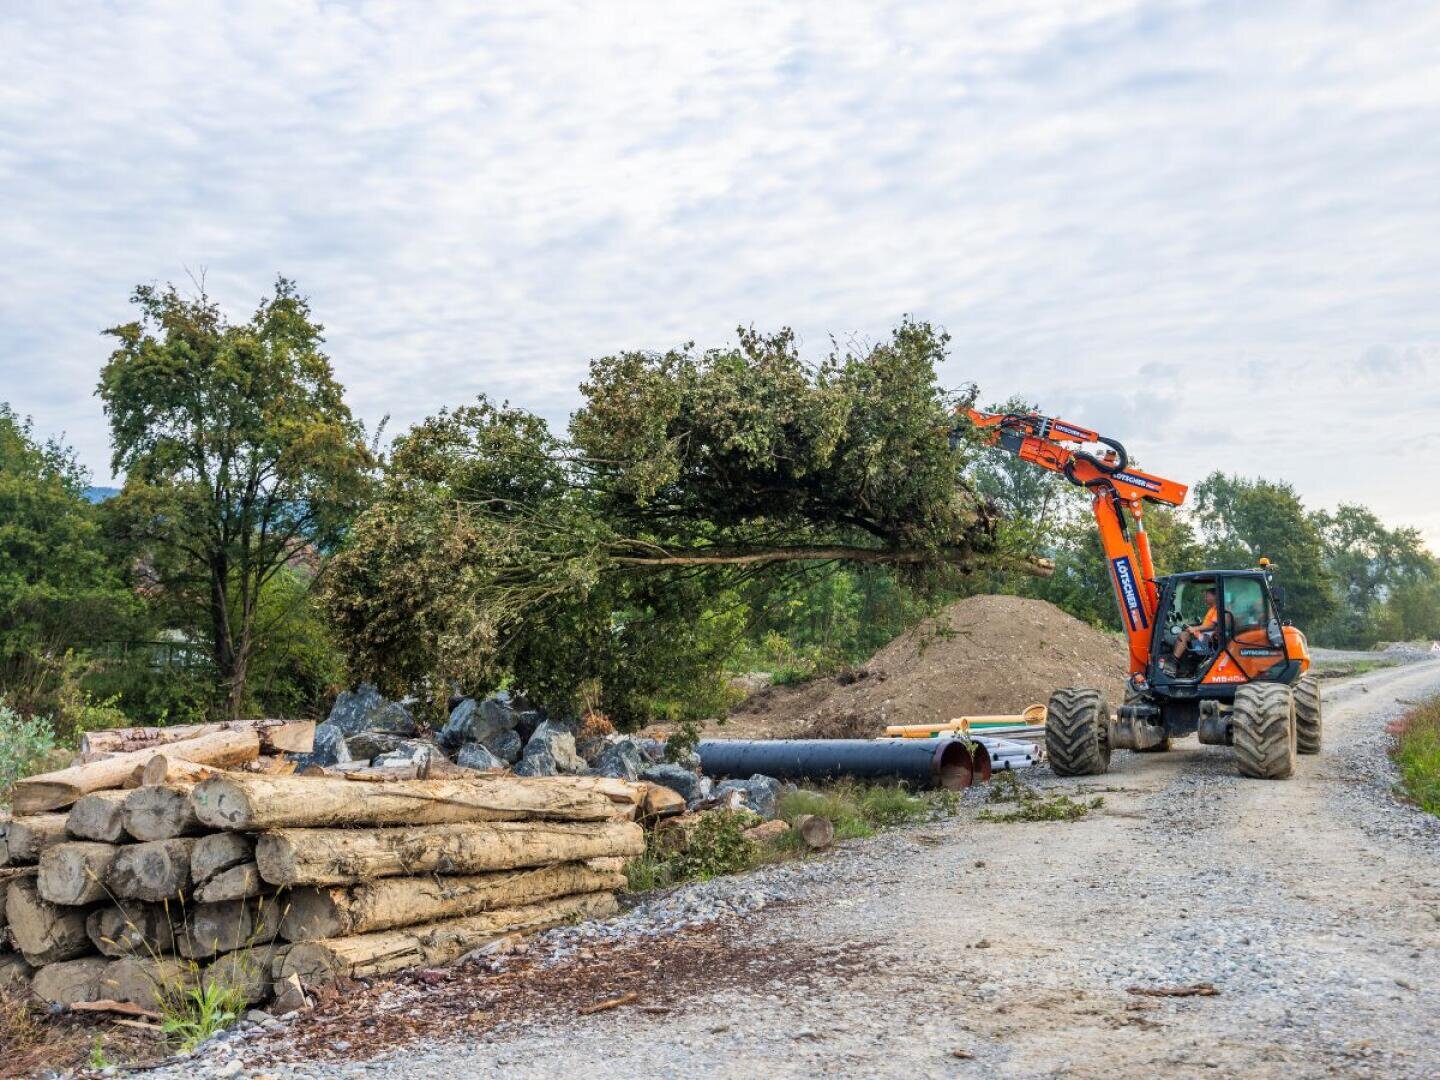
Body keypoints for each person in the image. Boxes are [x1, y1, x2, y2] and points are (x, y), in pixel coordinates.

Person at [1173, 586, 1219, 660]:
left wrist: (1194, 628)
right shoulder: (1212, 608)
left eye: (1207, 596)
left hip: (1208, 637)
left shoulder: (1217, 609)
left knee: (1183, 635)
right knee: (1185, 632)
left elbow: (1212, 626)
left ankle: (1174, 660)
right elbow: (1206, 624)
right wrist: (1192, 627)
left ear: (1214, 597)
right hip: (1205, 634)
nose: (1205, 599)